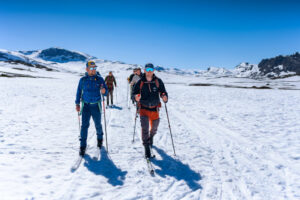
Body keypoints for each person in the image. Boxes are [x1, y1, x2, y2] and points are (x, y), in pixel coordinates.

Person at [133, 63, 168, 158]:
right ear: (144, 70)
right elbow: (134, 93)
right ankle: (146, 147)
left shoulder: (158, 81)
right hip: (143, 108)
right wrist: (136, 97)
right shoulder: (140, 82)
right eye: (147, 69)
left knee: (154, 128)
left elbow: (163, 91)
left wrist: (164, 97)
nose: (149, 71)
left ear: (153, 71)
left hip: (155, 109)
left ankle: (151, 137)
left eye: (151, 69)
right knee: (145, 128)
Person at [75, 60, 108, 156]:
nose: (93, 70)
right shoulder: (83, 80)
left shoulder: (100, 79)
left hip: (96, 106)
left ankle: (100, 139)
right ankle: (82, 146)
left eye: (95, 68)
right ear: (87, 69)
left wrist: (103, 91)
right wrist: (77, 104)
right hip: (85, 106)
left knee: (98, 125)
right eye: (91, 68)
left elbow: (105, 93)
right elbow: (78, 92)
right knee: (84, 126)